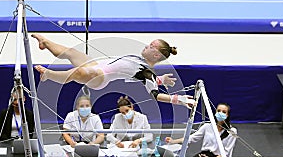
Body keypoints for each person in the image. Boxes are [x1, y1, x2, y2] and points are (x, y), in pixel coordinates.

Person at [32, 34, 194, 108]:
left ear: (156, 54)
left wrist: (177, 99)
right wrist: (160, 80)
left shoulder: (146, 72)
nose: (146, 46)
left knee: (79, 72)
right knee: (72, 52)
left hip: (100, 78)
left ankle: (47, 75)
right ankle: (45, 42)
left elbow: (155, 95)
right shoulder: (142, 67)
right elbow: (133, 77)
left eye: (150, 46)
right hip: (97, 65)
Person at [165, 103, 237, 157]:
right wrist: (173, 141)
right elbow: (191, 138)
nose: (220, 113)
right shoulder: (207, 126)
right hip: (204, 155)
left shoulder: (232, 131)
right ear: (215, 113)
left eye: (224, 112)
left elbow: (226, 153)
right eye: (218, 111)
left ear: (227, 115)